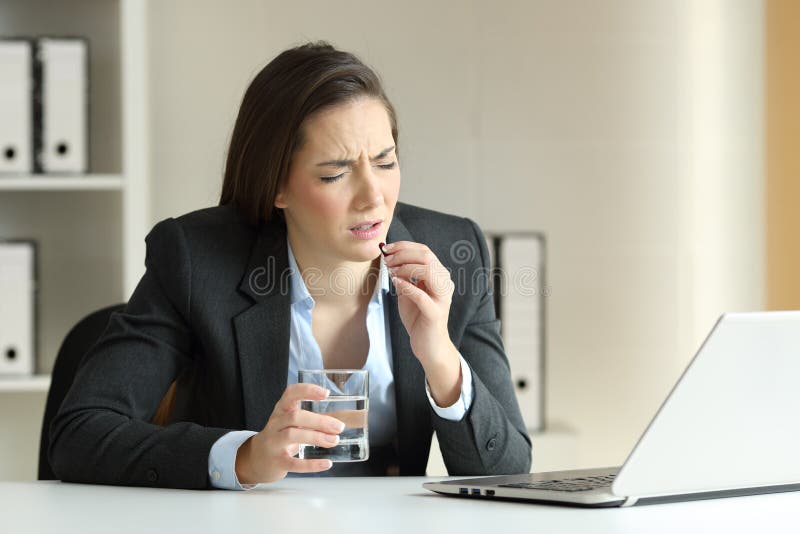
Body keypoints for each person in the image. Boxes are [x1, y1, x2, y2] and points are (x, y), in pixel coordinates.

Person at [49, 42, 531, 489]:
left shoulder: (449, 252)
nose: (373, 197)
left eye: (385, 163)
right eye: (335, 173)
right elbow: (78, 434)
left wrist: (440, 357)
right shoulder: (197, 260)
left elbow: (508, 471)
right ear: (276, 187)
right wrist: (244, 456)